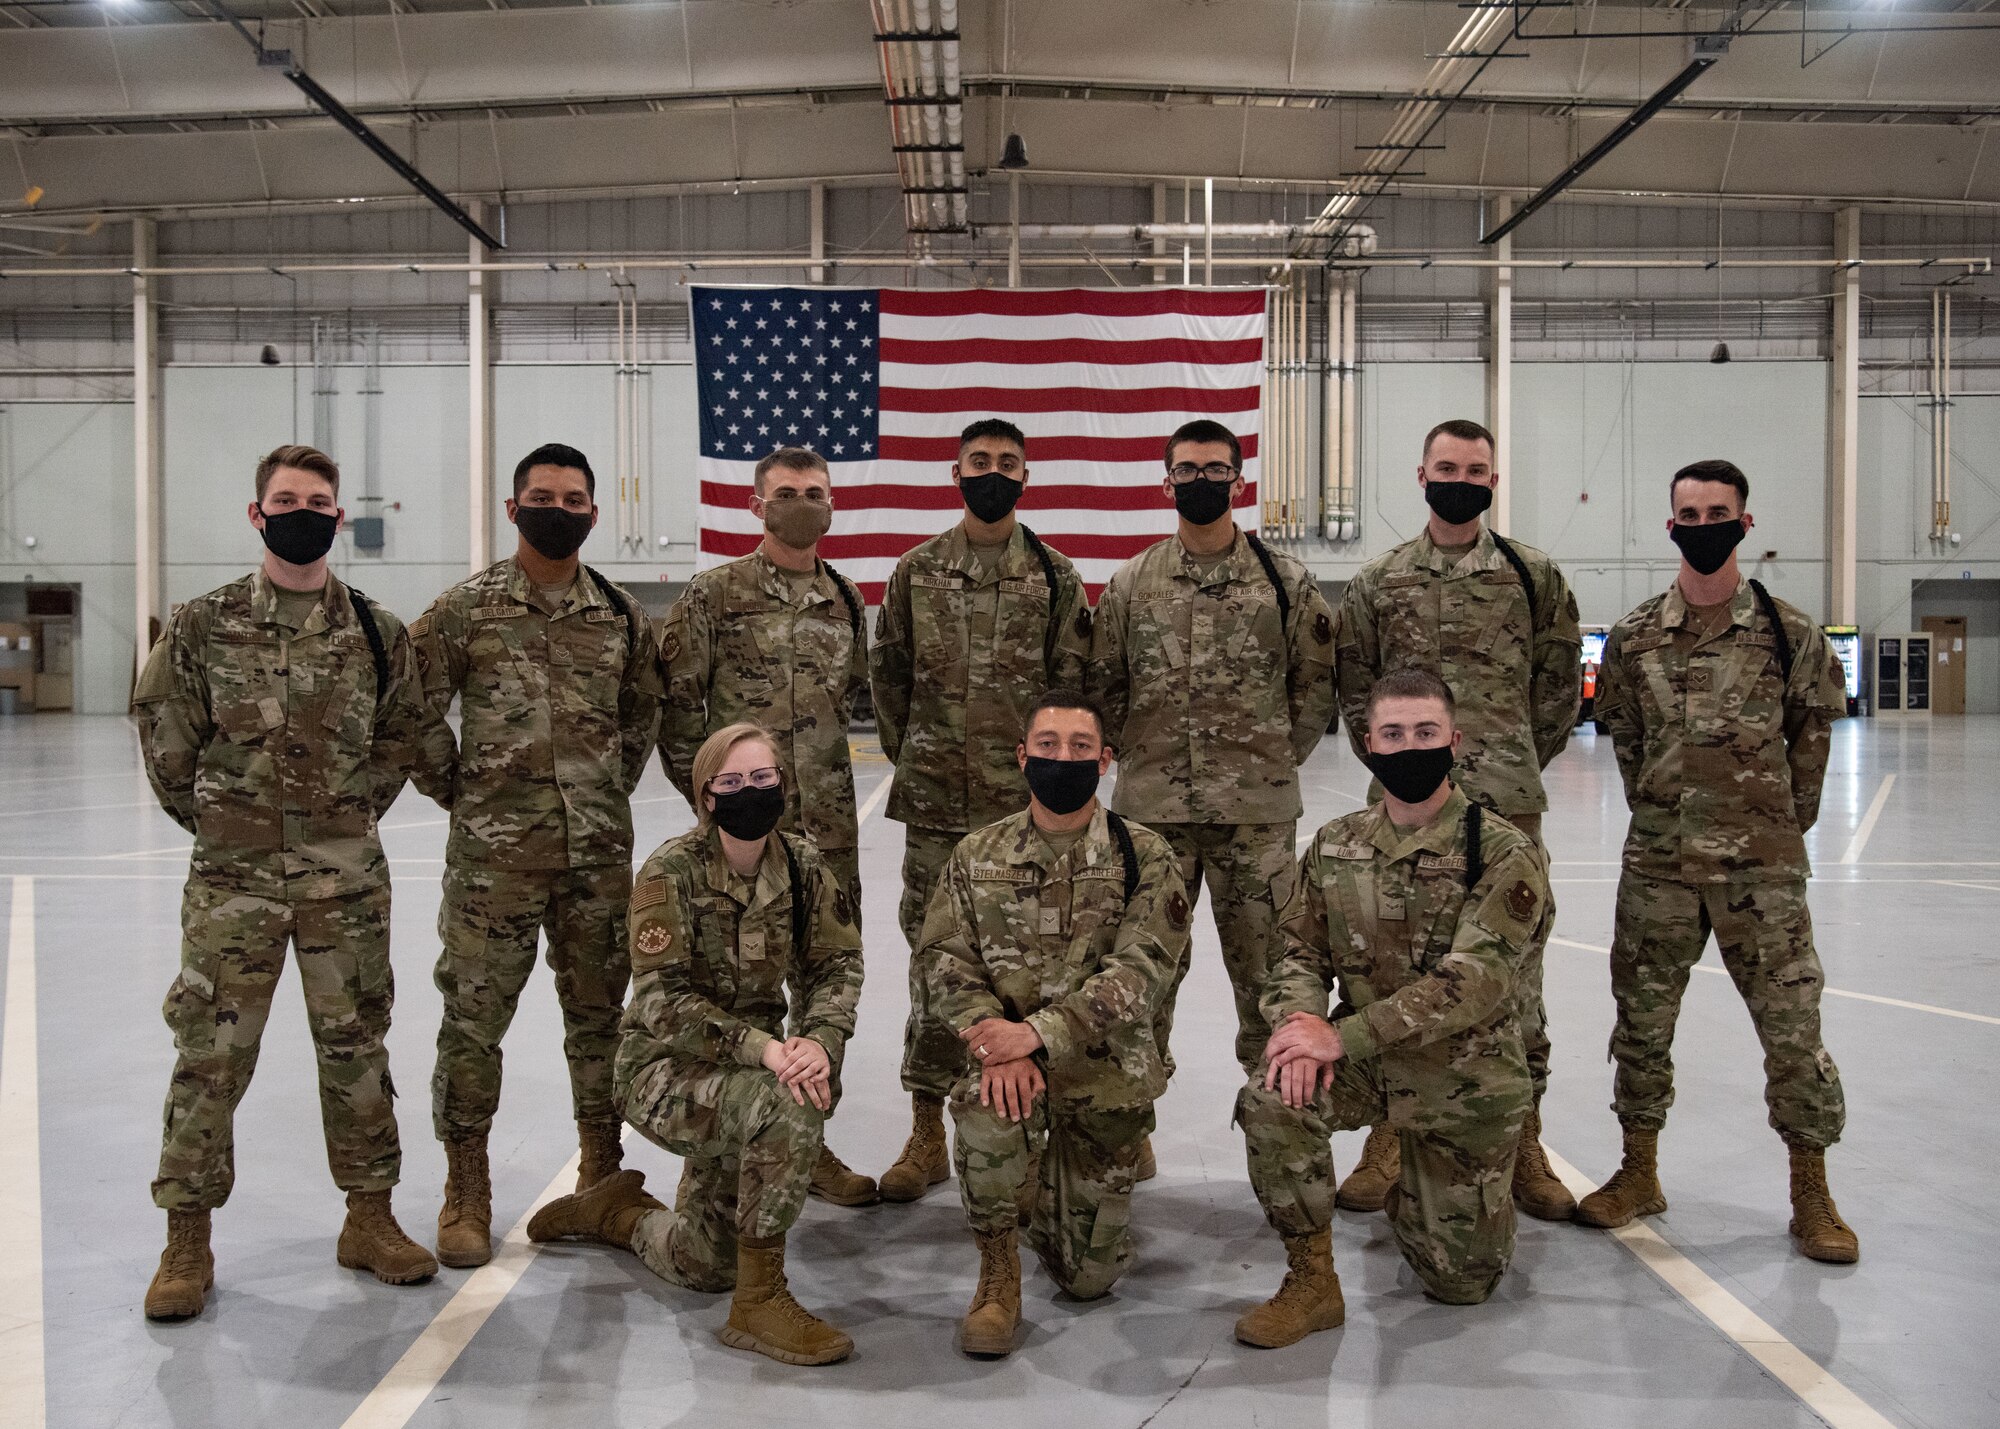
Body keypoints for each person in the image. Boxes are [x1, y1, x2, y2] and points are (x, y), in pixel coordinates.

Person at [134, 444, 436, 1320]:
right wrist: (237, 830)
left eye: (317, 499)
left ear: (338, 518)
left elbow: (400, 741)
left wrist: (339, 820)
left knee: (357, 1053)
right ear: (258, 514)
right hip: (234, 885)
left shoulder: (378, 632)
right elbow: (166, 745)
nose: (301, 509)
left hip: (346, 881)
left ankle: (370, 1217)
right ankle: (185, 1240)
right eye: (284, 497)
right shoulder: (202, 623)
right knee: (210, 1056)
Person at [1577, 459, 1857, 1263]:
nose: (1704, 525)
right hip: (1659, 866)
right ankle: (1638, 1171)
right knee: (1640, 1026)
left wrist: (1772, 826)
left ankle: (1812, 1191)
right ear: (1671, 525)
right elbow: (1624, 736)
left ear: (1745, 521)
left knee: (1792, 1030)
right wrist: (1666, 812)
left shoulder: (1789, 632)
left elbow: (1813, 740)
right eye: (1689, 514)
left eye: (1718, 512)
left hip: (1761, 874)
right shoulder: (1633, 635)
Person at [525, 722, 865, 1367]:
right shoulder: (670, 873)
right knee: (786, 1103)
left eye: (763, 779)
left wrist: (819, 1040)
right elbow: (658, 1001)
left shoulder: (801, 865)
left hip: (752, 1071)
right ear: (706, 797)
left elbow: (836, 966)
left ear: (782, 785)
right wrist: (763, 1048)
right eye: (731, 783)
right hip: (663, 1071)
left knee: (703, 1263)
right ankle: (760, 1302)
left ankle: (614, 1216)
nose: (750, 792)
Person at [1235, 670, 1550, 1343]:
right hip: (1366, 1064)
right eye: (1394, 734)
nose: (1410, 747)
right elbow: (1297, 951)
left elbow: (1477, 980)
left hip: (1466, 1074)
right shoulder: (1336, 842)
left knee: (1461, 1282)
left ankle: (1426, 1181)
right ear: (1369, 746)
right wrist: (1299, 1025)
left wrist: (1341, 1035)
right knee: (1272, 1097)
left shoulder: (1501, 851)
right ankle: (1313, 1279)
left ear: (1455, 741)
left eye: (1426, 732)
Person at [408, 442, 663, 1268]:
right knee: (475, 1023)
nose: (561, 507)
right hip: (494, 864)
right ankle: (467, 1186)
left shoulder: (620, 614)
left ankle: (601, 1170)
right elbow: (411, 707)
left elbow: (640, 716)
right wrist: (465, 792)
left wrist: (602, 792)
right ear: (515, 508)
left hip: (595, 858)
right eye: (543, 495)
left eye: (575, 496)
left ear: (594, 511)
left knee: (600, 1020)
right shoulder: (466, 608)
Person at [1330, 418, 1582, 1221]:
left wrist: (1506, 762)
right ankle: (1389, 1134)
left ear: (1493, 480)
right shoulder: (1379, 582)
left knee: (1515, 977)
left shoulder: (1531, 576)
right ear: (1422, 473)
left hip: (1504, 805)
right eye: (1447, 466)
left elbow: (1558, 687)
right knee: (1394, 970)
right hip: (1400, 810)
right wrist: (1398, 770)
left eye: (1476, 468)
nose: (1461, 478)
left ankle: (1524, 1137)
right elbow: (1356, 692)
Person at [917, 689, 1187, 1357]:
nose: (1061, 759)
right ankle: (998, 1269)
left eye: (1078, 748)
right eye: (1046, 746)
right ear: (1022, 757)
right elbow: (943, 959)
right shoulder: (977, 853)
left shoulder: (1143, 855)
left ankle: (1056, 1174)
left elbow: (1142, 970)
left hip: (1102, 1075)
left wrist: (1036, 1034)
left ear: (1104, 760)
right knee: (985, 1116)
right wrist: (994, 1039)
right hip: (1008, 1068)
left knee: (1087, 1278)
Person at [869, 418, 1092, 1203]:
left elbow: (1073, 690)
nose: (991, 472)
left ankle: (1048, 1126)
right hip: (935, 808)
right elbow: (888, 680)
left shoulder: (1057, 577)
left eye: (1006, 463)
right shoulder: (916, 571)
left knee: (1040, 969)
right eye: (978, 461)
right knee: (936, 967)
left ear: (1026, 476)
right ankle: (928, 1129)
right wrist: (922, 754)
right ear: (953, 470)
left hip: (1027, 813)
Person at [1087, 418, 1336, 1094]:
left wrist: (1270, 761)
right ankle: (1129, 1121)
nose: (1203, 481)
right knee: (1141, 975)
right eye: (1188, 470)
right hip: (1152, 818)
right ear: (1166, 481)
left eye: (1216, 469)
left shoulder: (1284, 582)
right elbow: (1104, 686)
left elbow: (1315, 688)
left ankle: (1275, 1126)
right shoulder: (1133, 583)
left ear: (1239, 478)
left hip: (1257, 823)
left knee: (1271, 979)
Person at [658, 444, 877, 1207]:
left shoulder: (845, 602)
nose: (803, 502)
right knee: (733, 991)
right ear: (757, 505)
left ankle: (807, 1135)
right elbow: (681, 714)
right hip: (739, 836)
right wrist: (715, 813)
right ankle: (717, 1143)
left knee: (826, 985)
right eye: (787, 491)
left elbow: (857, 699)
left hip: (825, 836)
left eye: (815, 491)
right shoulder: (712, 596)